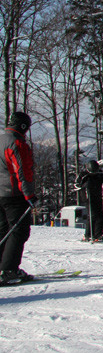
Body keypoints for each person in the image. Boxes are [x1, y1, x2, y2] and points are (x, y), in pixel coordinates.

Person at [0, 112, 36, 284]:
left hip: (0, 194)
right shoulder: (17, 143)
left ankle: (3, 267)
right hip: (14, 194)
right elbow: (22, 170)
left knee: (3, 230)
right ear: (23, 126)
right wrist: (29, 195)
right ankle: (9, 270)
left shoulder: (1, 139)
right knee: (18, 230)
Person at [77, 161, 103, 242]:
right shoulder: (84, 175)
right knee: (92, 215)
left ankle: (98, 234)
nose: (94, 173)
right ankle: (88, 235)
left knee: (100, 215)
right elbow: (77, 183)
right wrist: (81, 185)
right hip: (88, 197)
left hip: (98, 196)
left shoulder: (99, 174)